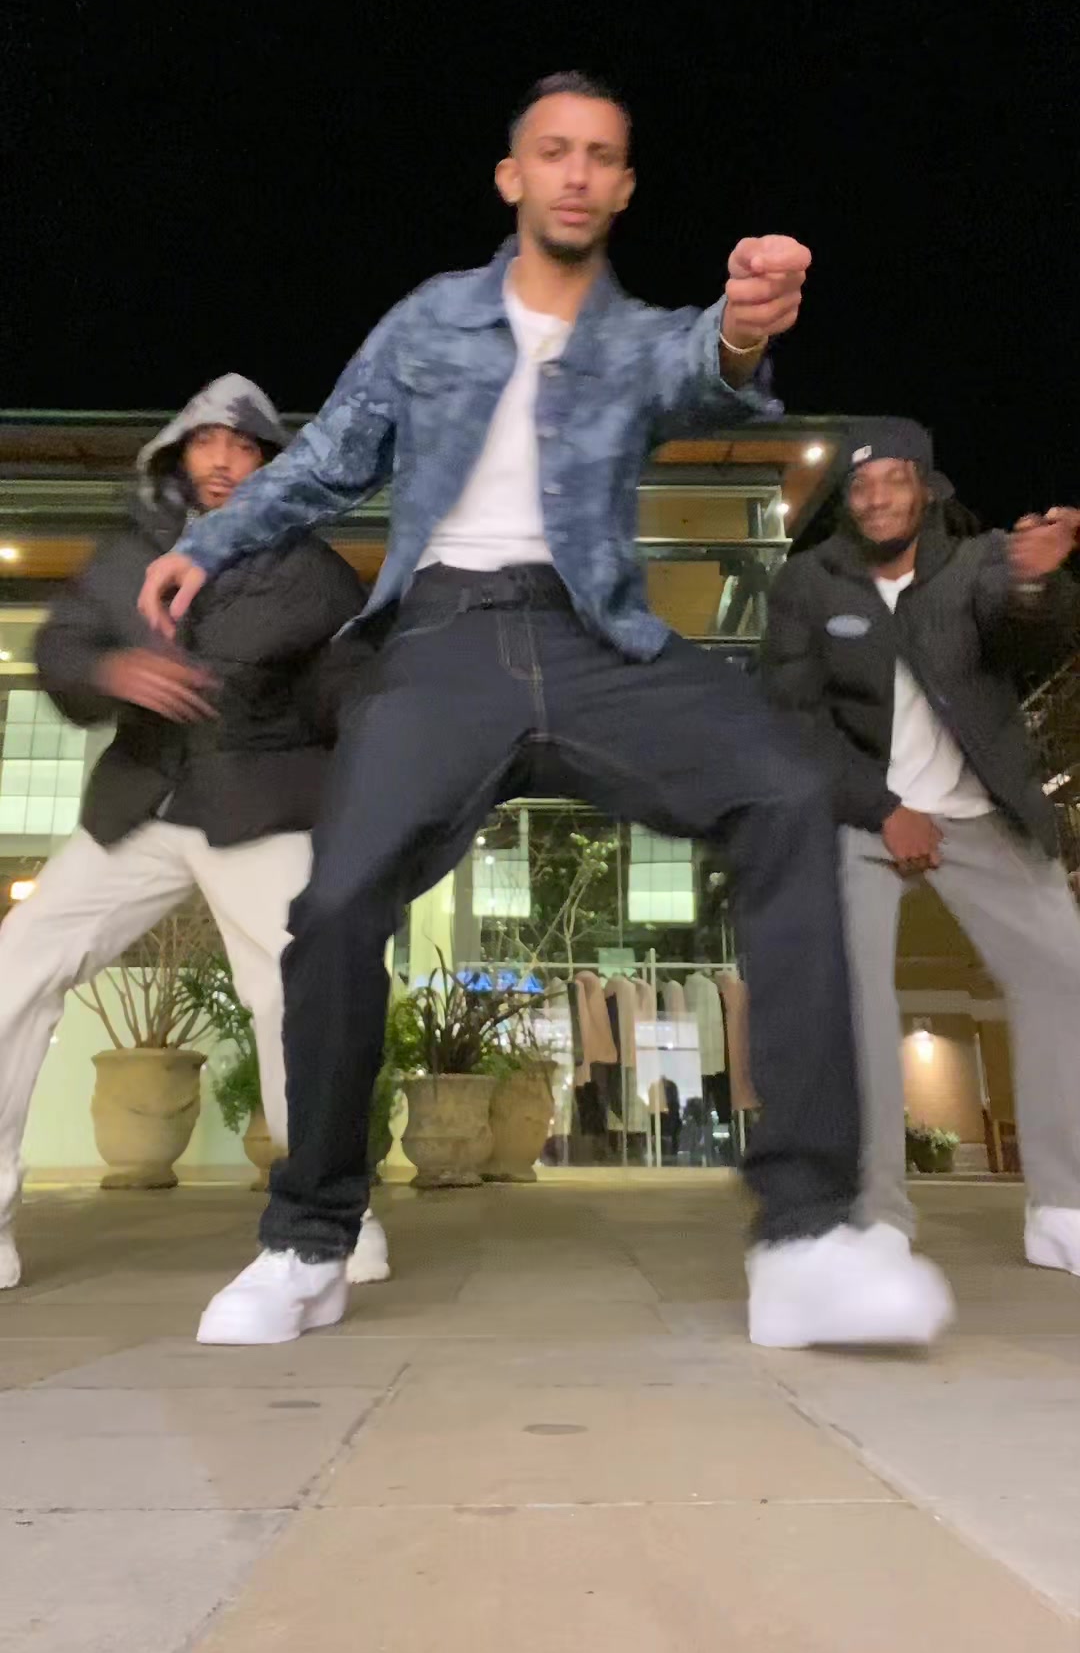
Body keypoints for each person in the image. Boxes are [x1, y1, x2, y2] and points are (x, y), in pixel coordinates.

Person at [140, 72, 953, 1350]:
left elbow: (705, 364)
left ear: (622, 188)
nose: (577, 171)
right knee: (337, 903)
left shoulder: (634, 337)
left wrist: (744, 325)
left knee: (789, 791)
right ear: (514, 176)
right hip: (443, 641)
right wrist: (213, 542)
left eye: (602, 156)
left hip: (595, 638)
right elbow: (327, 458)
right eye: (554, 151)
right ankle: (310, 1239)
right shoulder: (430, 321)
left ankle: (807, 1240)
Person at [0, 376, 391, 1291]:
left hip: (260, 805)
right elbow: (60, 650)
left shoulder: (312, 572)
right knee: (14, 972)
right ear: (178, 452)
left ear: (270, 463)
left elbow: (355, 696)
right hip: (141, 803)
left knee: (294, 997)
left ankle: (335, 1219)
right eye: (208, 440)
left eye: (245, 445)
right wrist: (111, 669)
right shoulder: (128, 553)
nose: (223, 458)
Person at [761, 417, 1080, 1275]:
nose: (875, 498)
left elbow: (1028, 642)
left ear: (925, 488)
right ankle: (875, 1217)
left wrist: (1036, 583)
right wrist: (880, 806)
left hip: (980, 814)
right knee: (856, 1001)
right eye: (860, 485)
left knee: (1063, 976)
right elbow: (792, 717)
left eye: (893, 480)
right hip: (862, 818)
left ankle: (1063, 1207)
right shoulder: (808, 584)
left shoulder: (976, 565)